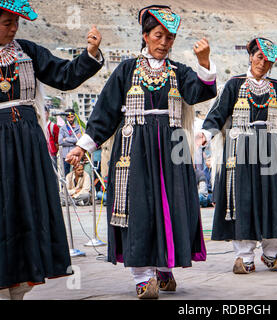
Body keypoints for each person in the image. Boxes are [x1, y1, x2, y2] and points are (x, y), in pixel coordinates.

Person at [66, 5, 216, 299]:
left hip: (172, 147)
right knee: (140, 208)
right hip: (133, 149)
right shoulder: (126, 70)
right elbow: (105, 112)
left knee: (172, 206)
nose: (164, 43)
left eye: (170, 37)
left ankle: (163, 266)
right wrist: (83, 148)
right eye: (159, 35)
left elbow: (200, 93)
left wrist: (204, 61)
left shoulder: (179, 71)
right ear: (145, 36)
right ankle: (143, 276)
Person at [0, 0, 103, 300]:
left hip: (28, 145)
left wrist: (90, 54)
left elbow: (65, 76)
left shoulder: (27, 52)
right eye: (7, 22)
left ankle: (19, 287)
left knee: (27, 210)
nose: (14, 28)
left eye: (16, 22)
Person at [199, 38, 277, 274]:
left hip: (271, 150)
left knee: (273, 199)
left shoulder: (276, 86)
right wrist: (206, 133)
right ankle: (244, 256)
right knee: (243, 200)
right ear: (250, 57)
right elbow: (217, 113)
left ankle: (270, 252)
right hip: (240, 151)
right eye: (259, 58)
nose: (262, 64)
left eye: (268, 62)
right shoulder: (235, 85)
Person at [58, 108, 82, 176]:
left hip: (76, 155)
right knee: (66, 174)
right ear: (66, 118)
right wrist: (74, 141)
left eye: (72, 117)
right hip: (65, 156)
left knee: (76, 174)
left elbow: (80, 140)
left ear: (74, 116)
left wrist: (66, 139)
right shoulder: (62, 129)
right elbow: (60, 141)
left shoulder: (79, 128)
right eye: (68, 117)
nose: (70, 119)